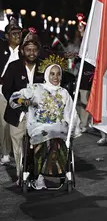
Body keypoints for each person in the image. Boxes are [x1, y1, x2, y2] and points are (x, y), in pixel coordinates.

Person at [9, 56, 81, 190]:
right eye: (52, 74)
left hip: (58, 128)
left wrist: (73, 129)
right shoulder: (36, 88)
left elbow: (71, 114)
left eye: (58, 74)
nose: (55, 77)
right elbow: (15, 98)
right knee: (46, 136)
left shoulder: (64, 93)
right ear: (47, 74)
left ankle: (53, 170)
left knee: (56, 136)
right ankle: (39, 175)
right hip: (38, 126)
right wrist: (23, 101)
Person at [2, 30, 44, 183]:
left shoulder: (44, 66)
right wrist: (18, 102)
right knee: (18, 144)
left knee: (39, 145)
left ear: (38, 51)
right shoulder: (14, 66)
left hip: (39, 114)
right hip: (17, 114)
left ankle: (38, 175)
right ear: (22, 51)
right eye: (28, 50)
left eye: (34, 50)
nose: (31, 53)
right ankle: (22, 176)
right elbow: (6, 89)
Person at [0, 17, 22, 165]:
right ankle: (5, 152)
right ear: (6, 36)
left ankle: (20, 152)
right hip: (2, 91)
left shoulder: (25, 50)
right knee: (3, 124)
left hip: (21, 92)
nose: (17, 35)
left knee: (19, 124)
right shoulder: (1, 49)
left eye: (19, 32)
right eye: (13, 32)